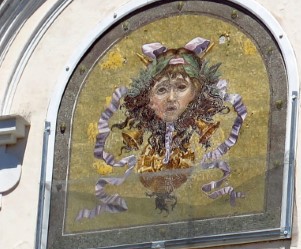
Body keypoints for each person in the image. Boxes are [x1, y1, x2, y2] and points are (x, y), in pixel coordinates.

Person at [81, 37, 248, 217]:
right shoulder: (140, 145)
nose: (170, 97)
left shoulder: (210, 135)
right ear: (148, 99)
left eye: (181, 87)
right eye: (161, 90)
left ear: (196, 92)